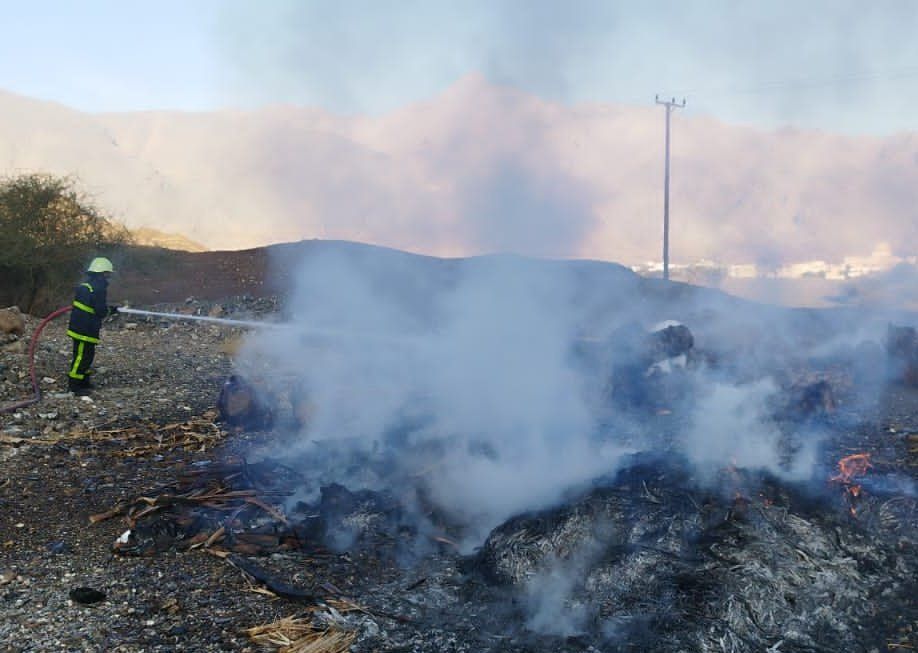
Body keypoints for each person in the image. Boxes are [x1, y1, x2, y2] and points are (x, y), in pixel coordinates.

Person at [67, 257, 119, 395]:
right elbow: (100, 311)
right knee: (82, 356)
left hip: (80, 327)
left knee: (86, 355)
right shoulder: (99, 288)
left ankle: (84, 381)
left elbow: (92, 306)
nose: (109, 276)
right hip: (86, 329)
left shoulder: (87, 285)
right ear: (102, 273)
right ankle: (75, 386)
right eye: (108, 273)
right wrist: (111, 310)